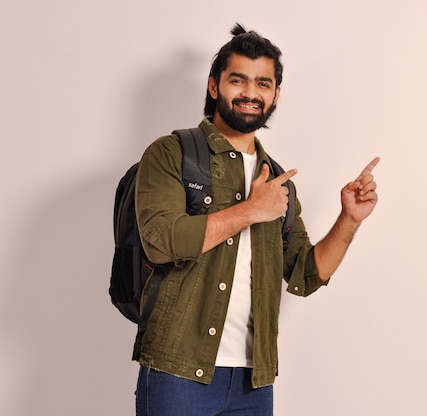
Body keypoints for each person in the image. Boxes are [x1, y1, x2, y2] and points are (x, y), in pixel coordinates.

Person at [134, 23, 380, 416]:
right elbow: (162, 241)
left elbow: (305, 275)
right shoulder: (170, 153)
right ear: (214, 86)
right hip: (177, 371)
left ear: (276, 94)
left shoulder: (276, 179)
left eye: (263, 84)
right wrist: (250, 210)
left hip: (253, 381)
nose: (251, 94)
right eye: (238, 80)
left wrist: (349, 220)